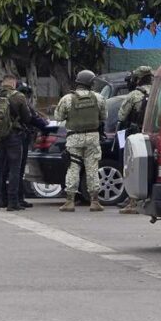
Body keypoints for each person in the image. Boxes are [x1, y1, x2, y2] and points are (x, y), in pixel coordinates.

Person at [54, 69, 107, 213]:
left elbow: (58, 117)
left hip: (74, 138)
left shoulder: (67, 99)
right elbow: (104, 116)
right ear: (90, 83)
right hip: (92, 137)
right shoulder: (99, 98)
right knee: (92, 168)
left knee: (73, 168)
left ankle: (70, 201)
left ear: (78, 82)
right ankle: (95, 201)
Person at [0, 74, 33, 211]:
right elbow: (27, 117)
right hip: (14, 136)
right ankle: (13, 202)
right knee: (14, 169)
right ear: (13, 83)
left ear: (3, 83)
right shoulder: (18, 96)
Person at [4, 83, 49, 209]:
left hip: (4, 138)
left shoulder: (7, 101)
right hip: (19, 138)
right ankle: (17, 199)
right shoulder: (23, 103)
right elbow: (32, 118)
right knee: (18, 170)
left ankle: (2, 199)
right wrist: (46, 125)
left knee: (5, 169)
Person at [117, 65, 154, 214]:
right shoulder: (160, 90)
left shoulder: (134, 95)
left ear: (138, 79)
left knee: (133, 167)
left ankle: (132, 202)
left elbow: (121, 116)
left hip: (137, 135)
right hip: (155, 135)